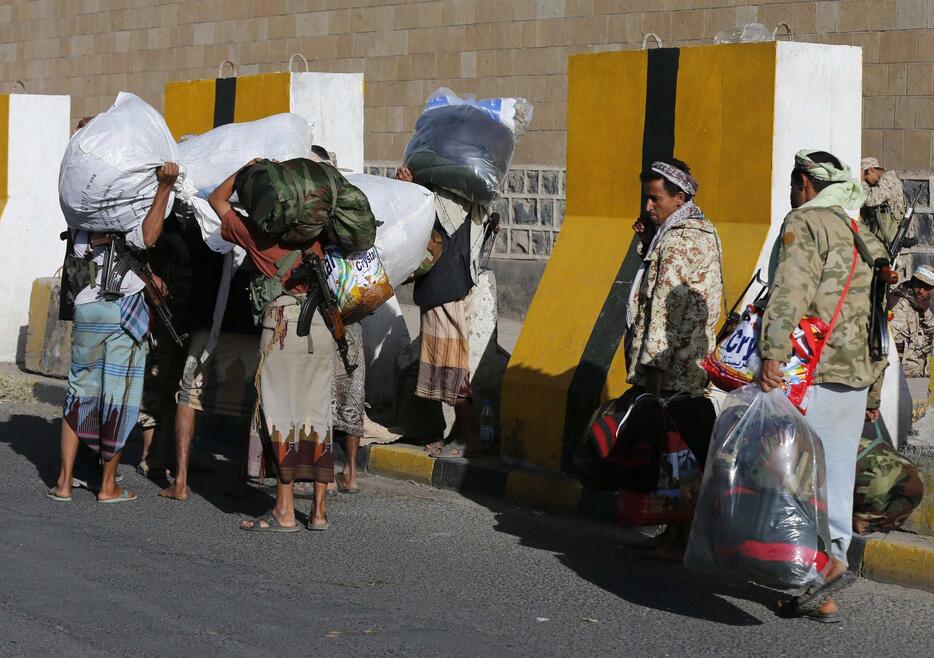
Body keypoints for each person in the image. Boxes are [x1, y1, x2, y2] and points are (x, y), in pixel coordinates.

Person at [759, 150, 888, 623]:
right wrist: (875, 389)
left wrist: (772, 351)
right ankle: (829, 570)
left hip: (811, 368)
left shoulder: (806, 221)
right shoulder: (862, 233)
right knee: (834, 476)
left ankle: (811, 573)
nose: (793, 194)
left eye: (795, 185)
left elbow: (790, 289)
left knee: (792, 474)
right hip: (856, 373)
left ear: (804, 183)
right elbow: (880, 318)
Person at [209, 162, 335, 532]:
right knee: (317, 414)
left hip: (282, 327)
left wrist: (243, 172)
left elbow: (217, 199)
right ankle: (319, 511)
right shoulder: (318, 232)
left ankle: (283, 509)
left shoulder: (255, 235)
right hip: (322, 327)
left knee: (282, 413)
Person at [48, 162, 179, 503]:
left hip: (87, 306)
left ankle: (63, 482)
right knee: (118, 396)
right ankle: (107, 486)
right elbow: (149, 237)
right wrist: (165, 187)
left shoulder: (81, 212)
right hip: (124, 311)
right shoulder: (132, 213)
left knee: (79, 391)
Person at [625, 158, 723, 560]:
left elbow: (665, 312)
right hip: (685, 365)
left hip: (677, 368)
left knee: (679, 458)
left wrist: (654, 373)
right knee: (675, 458)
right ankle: (673, 536)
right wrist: (650, 238)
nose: (649, 206)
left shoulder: (682, 239)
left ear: (679, 198)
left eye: (655, 199)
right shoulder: (683, 231)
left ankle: (680, 540)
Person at [394, 166, 496, 459]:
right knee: (444, 361)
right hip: (449, 284)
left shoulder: (445, 199)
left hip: (446, 287)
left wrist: (410, 188)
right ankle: (455, 434)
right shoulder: (464, 191)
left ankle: (469, 438)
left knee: (452, 365)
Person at [887, 266, 934, 378]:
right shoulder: (899, 304)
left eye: (926, 287)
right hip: (904, 372)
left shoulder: (924, 304)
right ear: (912, 282)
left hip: (921, 369)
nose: (921, 291)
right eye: (918, 285)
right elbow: (895, 344)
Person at [861, 156, 908, 253]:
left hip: (889, 242)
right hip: (888, 239)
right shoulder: (888, 179)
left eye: (866, 178)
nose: (867, 182)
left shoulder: (887, 180)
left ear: (871, 170)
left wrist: (861, 182)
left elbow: (869, 199)